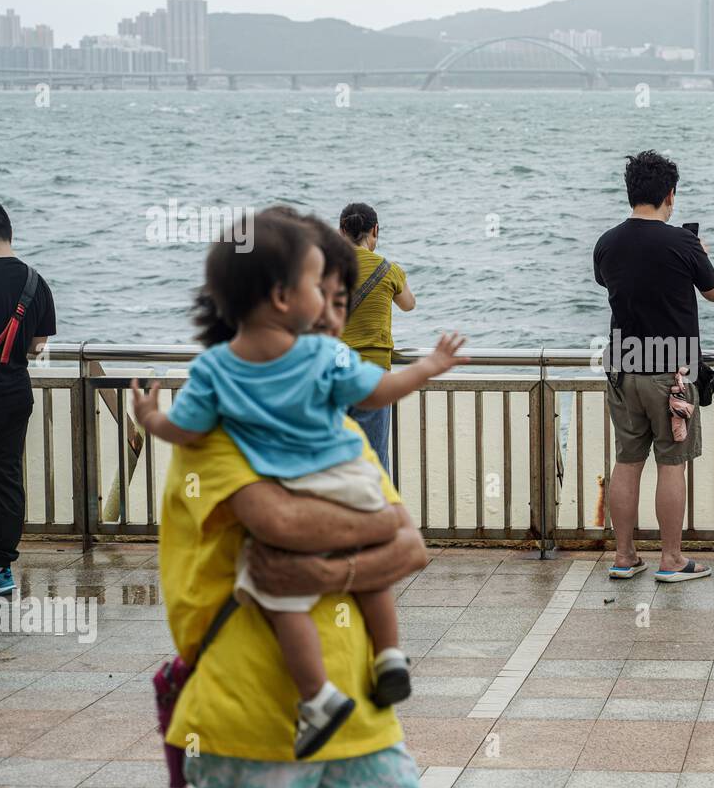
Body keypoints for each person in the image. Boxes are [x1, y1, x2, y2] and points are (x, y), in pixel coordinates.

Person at [133, 207, 468, 759]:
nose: (334, 311)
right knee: (362, 572)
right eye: (324, 291)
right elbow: (380, 520)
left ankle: (319, 695)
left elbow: (404, 544)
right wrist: (429, 366)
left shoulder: (216, 379)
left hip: (356, 727)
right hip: (253, 722)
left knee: (278, 590)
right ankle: (390, 654)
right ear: (286, 298)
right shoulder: (326, 362)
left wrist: (149, 419)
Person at [593, 151, 714, 583]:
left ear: (630, 192)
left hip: (623, 367)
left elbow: (607, 282)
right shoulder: (681, 242)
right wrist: (699, 251)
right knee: (671, 463)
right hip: (672, 374)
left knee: (627, 462)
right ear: (670, 194)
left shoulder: (607, 242)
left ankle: (625, 556)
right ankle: (671, 559)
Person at [0, 200, 57, 598]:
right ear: (9, 232)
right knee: (5, 477)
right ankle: (0, 570)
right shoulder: (35, 281)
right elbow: (38, 346)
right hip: (13, 393)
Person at [338, 203, 414, 471]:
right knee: (374, 462)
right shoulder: (388, 269)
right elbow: (408, 304)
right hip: (373, 376)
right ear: (375, 231)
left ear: (341, 231)